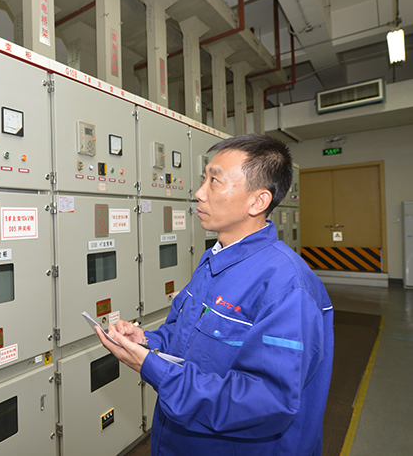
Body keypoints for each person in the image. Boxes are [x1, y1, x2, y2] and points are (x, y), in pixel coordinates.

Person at [95, 134, 334, 455]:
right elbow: (185, 339)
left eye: (215, 181)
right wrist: (147, 342)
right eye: (203, 179)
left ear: (258, 201)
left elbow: (267, 402)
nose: (199, 192)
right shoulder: (214, 261)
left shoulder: (287, 285)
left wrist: (156, 370)